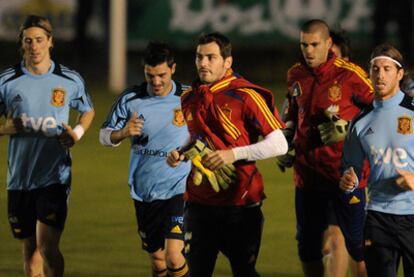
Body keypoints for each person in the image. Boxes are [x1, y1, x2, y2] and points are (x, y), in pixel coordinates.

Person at [167, 32, 288, 277]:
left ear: (227, 62)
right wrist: (181, 152)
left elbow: (279, 144)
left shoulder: (246, 95)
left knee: (244, 271)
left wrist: (232, 155)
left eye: (211, 57)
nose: (203, 63)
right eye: (199, 57)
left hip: (240, 204)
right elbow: (197, 135)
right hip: (199, 203)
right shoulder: (190, 97)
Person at [276, 19, 374, 277]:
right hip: (307, 177)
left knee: (350, 244)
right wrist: (286, 142)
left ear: (328, 43)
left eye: (314, 44)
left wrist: (349, 126)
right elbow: (292, 113)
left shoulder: (350, 75)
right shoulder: (295, 74)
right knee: (307, 249)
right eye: (303, 44)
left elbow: (379, 111)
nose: (308, 50)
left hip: (344, 175)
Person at [0, 15, 95, 277]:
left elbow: (87, 111)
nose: (34, 46)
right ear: (22, 44)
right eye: (28, 41)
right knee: (30, 252)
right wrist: (5, 129)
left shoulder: (69, 79)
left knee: (47, 247)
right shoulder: (7, 81)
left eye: (39, 40)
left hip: (55, 176)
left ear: (50, 42)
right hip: (19, 179)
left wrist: (75, 133)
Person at [99, 41, 191, 277]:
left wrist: (186, 155)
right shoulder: (131, 98)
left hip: (178, 188)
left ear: (173, 68)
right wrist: (122, 133)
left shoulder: (190, 97)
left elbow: (208, 135)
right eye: (150, 76)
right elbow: (103, 135)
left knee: (173, 255)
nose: (156, 82)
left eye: (161, 75)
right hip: (144, 189)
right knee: (158, 259)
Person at [340, 44, 414, 277]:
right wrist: (348, 181)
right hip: (378, 216)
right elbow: (349, 169)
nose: (380, 75)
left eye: (387, 69)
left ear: (399, 74)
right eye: (375, 69)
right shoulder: (360, 122)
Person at [322, 28, 356, 277]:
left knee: (339, 237)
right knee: (325, 241)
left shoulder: (359, 87)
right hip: (315, 174)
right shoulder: (306, 85)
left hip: (350, 173)